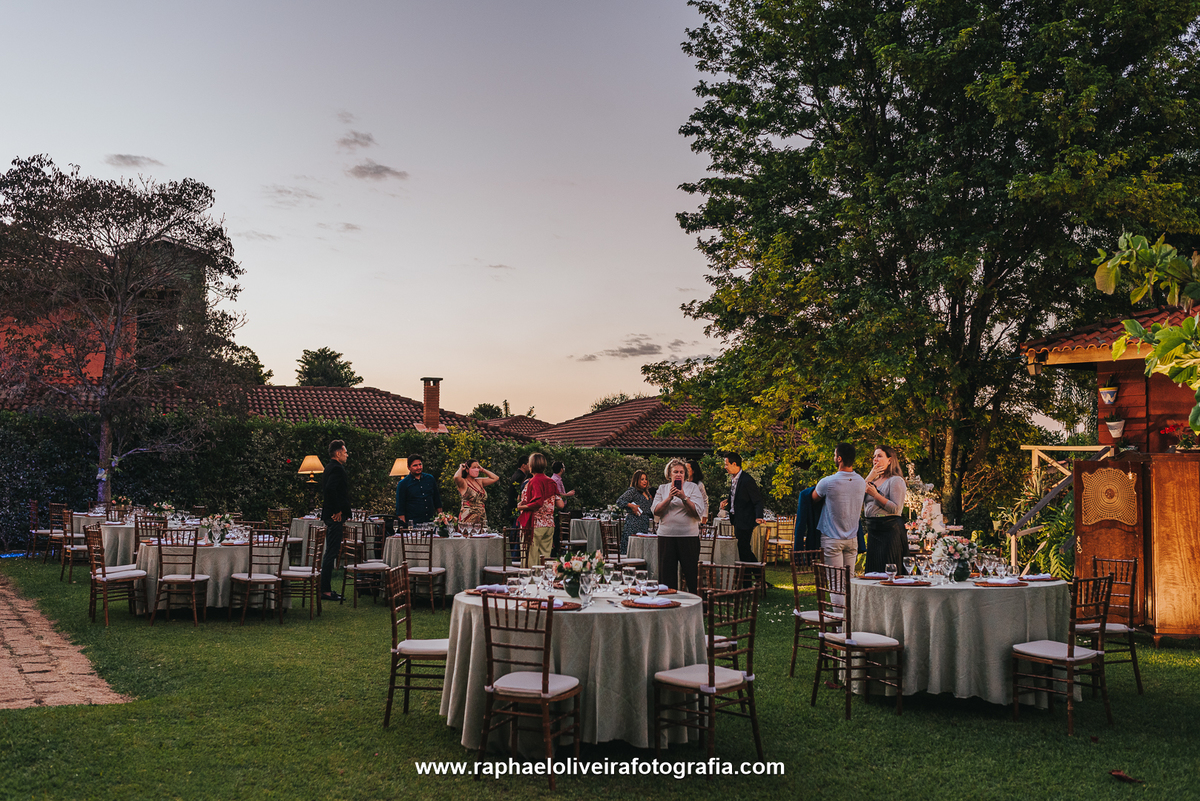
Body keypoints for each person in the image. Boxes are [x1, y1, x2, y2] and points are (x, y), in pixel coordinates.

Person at [652, 459, 706, 592]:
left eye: (681, 472)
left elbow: (697, 512)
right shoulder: (662, 489)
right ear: (669, 474)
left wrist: (684, 497)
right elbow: (655, 511)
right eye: (675, 471)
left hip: (688, 536)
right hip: (666, 536)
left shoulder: (693, 488)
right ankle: (669, 605)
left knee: (691, 574)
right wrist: (669, 497)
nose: (678, 474)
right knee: (666, 576)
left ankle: (696, 607)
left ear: (685, 474)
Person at [811, 443, 867, 568]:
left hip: (832, 537)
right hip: (852, 537)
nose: (834, 457)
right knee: (849, 580)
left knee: (835, 583)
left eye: (835, 455)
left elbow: (813, 499)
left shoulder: (828, 482)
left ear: (839, 458)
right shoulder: (861, 482)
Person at [863, 444, 908, 574]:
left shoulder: (895, 481)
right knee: (873, 573)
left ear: (890, 460)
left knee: (890, 571)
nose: (875, 459)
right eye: (874, 456)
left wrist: (876, 495)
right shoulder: (872, 481)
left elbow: (896, 509)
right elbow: (856, 498)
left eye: (879, 456)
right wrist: (870, 477)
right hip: (873, 530)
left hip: (889, 530)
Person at [516, 452, 562, 567]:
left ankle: (530, 583)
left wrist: (521, 506)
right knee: (545, 559)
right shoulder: (551, 482)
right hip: (549, 525)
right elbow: (560, 504)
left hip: (534, 525)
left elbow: (537, 502)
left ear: (531, 465)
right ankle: (544, 582)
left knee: (530, 559)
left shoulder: (532, 481)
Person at [718, 451, 764, 563]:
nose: (725, 467)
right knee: (743, 549)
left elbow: (757, 500)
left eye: (726, 464)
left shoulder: (747, 480)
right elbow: (739, 495)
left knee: (744, 549)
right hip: (737, 519)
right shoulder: (734, 479)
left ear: (734, 464)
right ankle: (748, 578)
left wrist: (758, 516)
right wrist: (728, 500)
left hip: (745, 520)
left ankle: (757, 574)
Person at [320, 439, 351, 602]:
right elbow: (330, 489)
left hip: (330, 514)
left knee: (330, 553)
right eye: (345, 452)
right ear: (338, 453)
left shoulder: (329, 467)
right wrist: (338, 510)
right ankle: (324, 590)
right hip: (334, 517)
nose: (347, 455)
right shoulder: (337, 469)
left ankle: (325, 588)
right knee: (331, 553)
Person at [394, 454, 442, 527]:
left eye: (420, 464)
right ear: (409, 467)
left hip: (430, 522)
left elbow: (437, 500)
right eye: (415, 465)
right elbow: (400, 508)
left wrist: (441, 520)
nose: (418, 467)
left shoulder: (430, 479)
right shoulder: (403, 484)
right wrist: (404, 527)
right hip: (413, 524)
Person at [614, 470, 653, 553]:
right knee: (633, 548)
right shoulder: (633, 491)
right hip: (634, 522)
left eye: (646, 479)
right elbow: (619, 501)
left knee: (642, 548)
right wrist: (631, 506)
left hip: (644, 522)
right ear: (636, 480)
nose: (645, 481)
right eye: (642, 479)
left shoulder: (647, 493)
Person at [454, 459, 499, 528]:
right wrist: (461, 467)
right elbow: (456, 477)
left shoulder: (479, 481)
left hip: (482, 518)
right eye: (474, 467)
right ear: (467, 469)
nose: (476, 469)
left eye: (477, 467)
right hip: (468, 517)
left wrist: (482, 469)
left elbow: (495, 478)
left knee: (482, 536)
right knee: (468, 535)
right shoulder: (463, 482)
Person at [508, 456, 531, 525]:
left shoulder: (516, 474)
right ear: (523, 465)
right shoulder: (521, 477)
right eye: (529, 464)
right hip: (516, 507)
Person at [686, 459, 709, 524]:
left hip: (695, 516)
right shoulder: (683, 484)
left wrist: (704, 519)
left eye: (687, 469)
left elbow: (705, 502)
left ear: (693, 471)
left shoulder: (699, 485)